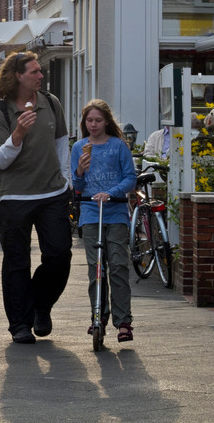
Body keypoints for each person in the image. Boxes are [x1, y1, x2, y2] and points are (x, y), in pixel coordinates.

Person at [0, 51, 71, 344]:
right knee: (16, 261)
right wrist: (18, 134)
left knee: (60, 255)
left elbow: (62, 142)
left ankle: (40, 303)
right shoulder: (2, 113)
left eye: (40, 71)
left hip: (52, 193)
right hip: (14, 197)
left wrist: (66, 179)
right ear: (17, 76)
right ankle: (20, 325)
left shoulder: (51, 103)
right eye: (34, 72)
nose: (40, 75)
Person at [70, 99, 137, 342]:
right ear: (84, 122)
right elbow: (76, 186)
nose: (93, 124)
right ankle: (98, 315)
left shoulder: (118, 146)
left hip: (115, 211)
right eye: (89, 120)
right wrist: (79, 171)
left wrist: (111, 193)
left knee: (118, 265)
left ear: (107, 121)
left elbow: (130, 178)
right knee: (95, 268)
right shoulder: (79, 147)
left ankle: (123, 320)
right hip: (90, 212)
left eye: (98, 120)